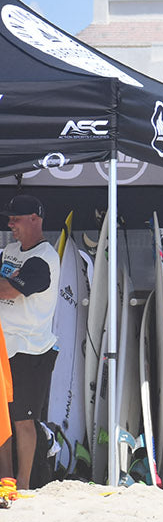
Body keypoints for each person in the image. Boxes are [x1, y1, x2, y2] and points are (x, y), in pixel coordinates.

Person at [0, 194, 57, 490]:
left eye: (16, 219)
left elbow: (9, 292)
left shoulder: (45, 258)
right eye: (9, 219)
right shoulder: (10, 250)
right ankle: (6, 480)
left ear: (35, 220)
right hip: (4, 347)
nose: (10, 224)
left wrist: (8, 284)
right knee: (3, 420)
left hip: (30, 349)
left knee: (23, 419)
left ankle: (23, 484)